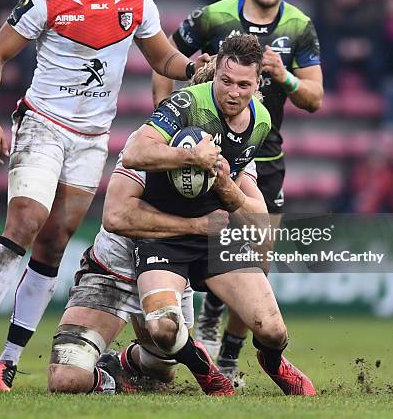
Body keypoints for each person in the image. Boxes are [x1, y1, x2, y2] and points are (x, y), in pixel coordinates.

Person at [0, 0, 209, 392]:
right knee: (27, 221)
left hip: (92, 140)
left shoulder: (135, 3)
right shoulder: (46, 0)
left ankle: (8, 361)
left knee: (53, 243)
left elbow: (163, 59)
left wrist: (194, 67)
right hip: (43, 128)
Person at [153, 0, 323, 382]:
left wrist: (282, 77)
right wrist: (165, 118)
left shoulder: (300, 27)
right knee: (212, 245)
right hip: (210, 155)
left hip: (265, 158)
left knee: (260, 263)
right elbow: (163, 57)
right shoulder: (214, 16)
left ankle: (228, 352)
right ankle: (203, 319)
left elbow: (315, 98)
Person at [123, 34, 316, 396]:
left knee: (274, 332)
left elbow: (255, 214)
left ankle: (273, 362)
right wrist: (190, 158)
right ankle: (205, 370)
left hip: (215, 234)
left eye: (243, 84)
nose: (232, 91)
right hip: (164, 233)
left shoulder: (261, 121)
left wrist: (226, 187)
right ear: (215, 74)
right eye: (225, 81)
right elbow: (134, 152)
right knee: (164, 329)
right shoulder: (185, 104)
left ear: (258, 83)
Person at [47, 63, 241, 395]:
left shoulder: (232, 152)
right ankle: (112, 381)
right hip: (114, 272)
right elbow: (117, 217)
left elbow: (252, 209)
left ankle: (125, 361)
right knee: (67, 380)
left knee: (159, 376)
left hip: (171, 272)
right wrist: (195, 225)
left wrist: (231, 192)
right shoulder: (150, 147)